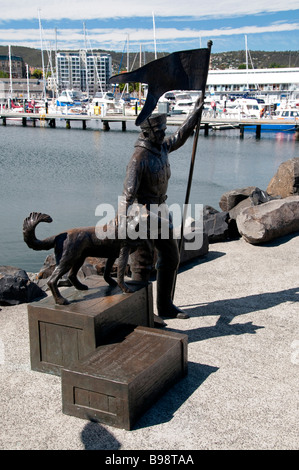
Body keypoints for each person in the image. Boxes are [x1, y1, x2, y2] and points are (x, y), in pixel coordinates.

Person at [120, 97, 203, 320]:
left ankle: (164, 306)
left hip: (161, 211)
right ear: (146, 133)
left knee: (171, 257)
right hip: (143, 215)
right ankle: (143, 314)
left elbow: (179, 137)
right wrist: (123, 220)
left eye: (163, 129)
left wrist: (194, 115)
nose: (163, 133)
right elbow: (128, 193)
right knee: (142, 265)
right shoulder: (139, 158)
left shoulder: (161, 148)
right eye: (159, 131)